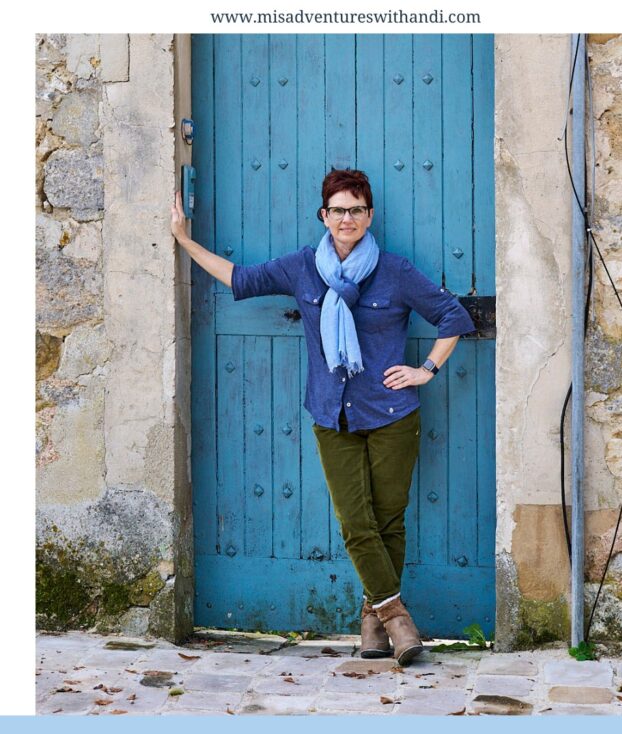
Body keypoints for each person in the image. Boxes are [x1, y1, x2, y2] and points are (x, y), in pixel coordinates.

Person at [171, 168, 475, 666]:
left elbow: (452, 317)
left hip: (392, 413)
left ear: (369, 215)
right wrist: (185, 241)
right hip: (330, 413)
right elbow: (240, 278)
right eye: (338, 209)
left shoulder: (394, 271)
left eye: (356, 209)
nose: (347, 218)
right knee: (357, 521)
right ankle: (397, 617)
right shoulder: (302, 269)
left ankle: (371, 626)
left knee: (389, 519)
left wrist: (425, 370)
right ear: (324, 215)